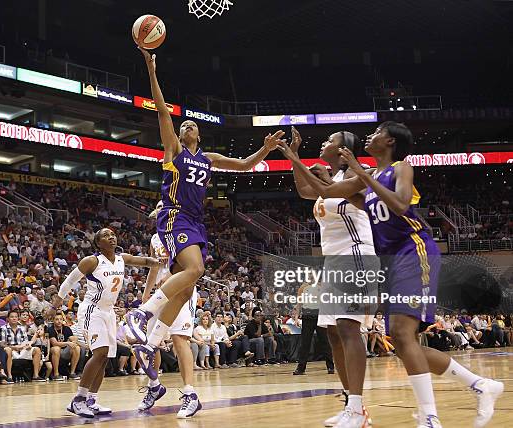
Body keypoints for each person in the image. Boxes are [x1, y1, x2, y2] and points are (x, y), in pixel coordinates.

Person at [283, 121, 504, 428]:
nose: (371, 136)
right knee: (399, 341)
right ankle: (479, 385)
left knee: (389, 334)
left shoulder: (399, 168)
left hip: (408, 252)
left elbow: (400, 204)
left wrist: (358, 173)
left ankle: (427, 417)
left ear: (389, 142)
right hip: (383, 261)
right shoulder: (366, 176)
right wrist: (295, 158)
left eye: (376, 134)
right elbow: (327, 191)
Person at [126, 48, 284, 399]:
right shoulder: (174, 151)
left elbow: (243, 166)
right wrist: (151, 70)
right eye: (184, 125)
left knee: (184, 291)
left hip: (196, 222)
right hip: (174, 214)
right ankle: (143, 313)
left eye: (192, 125)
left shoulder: (209, 159)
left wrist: (265, 150)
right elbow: (163, 110)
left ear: (199, 134)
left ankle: (150, 344)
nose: (188, 127)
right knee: (195, 270)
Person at [282, 126, 377, 427]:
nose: (323, 142)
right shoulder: (327, 176)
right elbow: (304, 190)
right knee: (333, 333)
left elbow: (326, 190)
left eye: (329, 140)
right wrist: (294, 156)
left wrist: (297, 160)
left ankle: (360, 409)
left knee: (349, 329)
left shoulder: (357, 175)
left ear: (342, 150)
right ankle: (350, 403)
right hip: (333, 261)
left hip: (357, 254)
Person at [57, 227, 160, 418]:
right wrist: (56, 303)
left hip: (109, 312)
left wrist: (162, 261)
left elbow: (146, 261)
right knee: (100, 352)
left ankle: (91, 400)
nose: (111, 237)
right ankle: (78, 399)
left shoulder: (122, 258)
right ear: (98, 243)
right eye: (105, 235)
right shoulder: (91, 261)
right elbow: (69, 281)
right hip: (91, 310)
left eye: (112, 234)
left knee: (105, 358)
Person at [136, 201, 202, 418]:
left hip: (181, 290)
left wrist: (170, 277)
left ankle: (190, 394)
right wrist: (146, 294)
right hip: (159, 293)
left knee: (179, 339)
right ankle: (154, 385)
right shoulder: (156, 237)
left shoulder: (186, 231)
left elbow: (191, 268)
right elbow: (156, 267)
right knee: (146, 344)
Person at [48, 313, 81, 380]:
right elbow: (54, 343)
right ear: (53, 320)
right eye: (57, 319)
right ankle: (56, 374)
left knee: (76, 347)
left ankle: (72, 373)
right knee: (56, 348)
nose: (59, 321)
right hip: (53, 351)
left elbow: (73, 338)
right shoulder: (50, 329)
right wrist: (68, 343)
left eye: (61, 319)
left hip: (65, 350)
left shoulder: (66, 328)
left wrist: (74, 341)